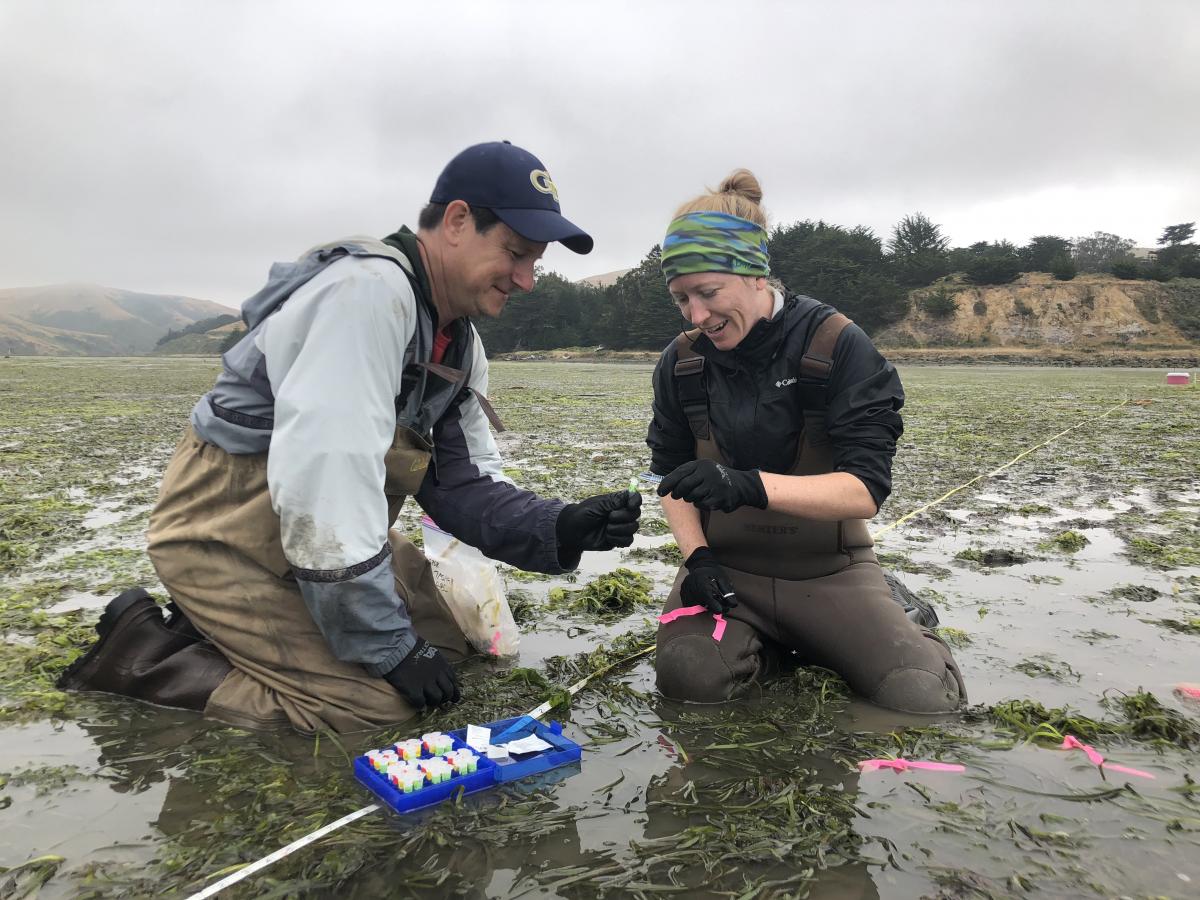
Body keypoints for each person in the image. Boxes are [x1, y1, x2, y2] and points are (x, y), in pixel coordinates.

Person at [59, 141, 641, 733]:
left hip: (315, 532)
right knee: (373, 707)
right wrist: (386, 645)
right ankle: (142, 656)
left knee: (458, 653)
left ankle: (220, 630)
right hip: (225, 526)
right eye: (516, 254)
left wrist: (555, 526)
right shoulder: (368, 294)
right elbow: (326, 492)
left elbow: (460, 482)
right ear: (459, 222)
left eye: (534, 261)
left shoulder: (458, 344)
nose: (528, 280)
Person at [646, 170, 964, 713]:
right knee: (688, 679)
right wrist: (697, 560)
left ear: (754, 273)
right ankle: (768, 649)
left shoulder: (838, 344)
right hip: (728, 574)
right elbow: (671, 478)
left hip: (829, 571)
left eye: (707, 293)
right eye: (681, 299)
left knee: (919, 696)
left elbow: (864, 490)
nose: (697, 316)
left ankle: (901, 614)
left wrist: (744, 484)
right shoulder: (683, 362)